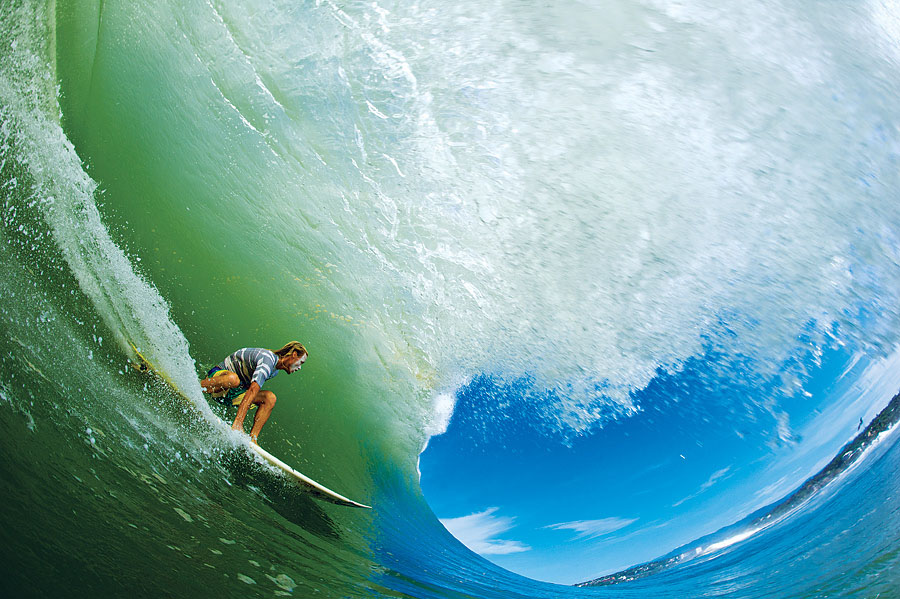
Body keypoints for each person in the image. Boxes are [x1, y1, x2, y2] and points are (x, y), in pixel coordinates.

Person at [200, 341, 308, 444]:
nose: (299, 367)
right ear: (294, 355)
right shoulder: (267, 360)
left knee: (270, 398)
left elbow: (249, 390)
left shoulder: (275, 371)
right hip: (217, 382)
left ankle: (253, 439)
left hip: (231, 393)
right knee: (233, 379)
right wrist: (238, 422)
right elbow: (252, 390)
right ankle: (198, 385)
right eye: (301, 362)